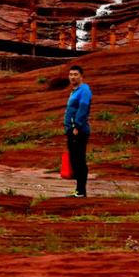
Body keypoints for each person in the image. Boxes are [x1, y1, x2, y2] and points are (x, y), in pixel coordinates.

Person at [63, 65, 92, 197]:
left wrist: (77, 126)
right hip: (71, 130)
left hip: (78, 131)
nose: (72, 77)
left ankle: (81, 191)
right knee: (75, 160)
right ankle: (79, 190)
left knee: (79, 160)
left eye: (75, 74)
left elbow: (83, 108)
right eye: (71, 74)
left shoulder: (84, 90)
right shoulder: (75, 91)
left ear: (81, 76)